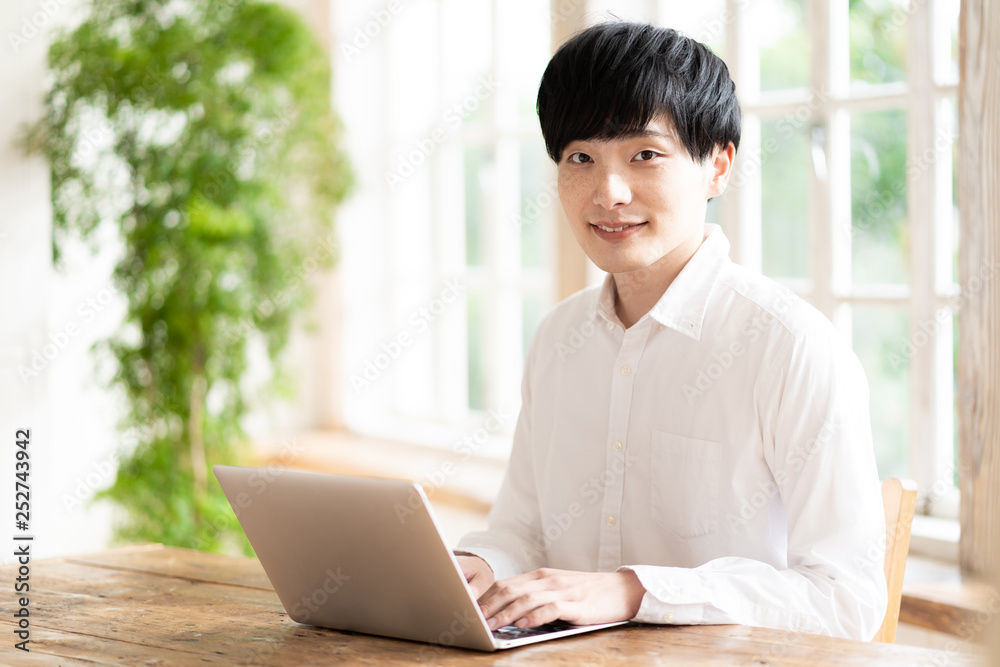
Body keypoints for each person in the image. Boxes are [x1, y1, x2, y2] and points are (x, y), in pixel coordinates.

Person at [455, 20, 888, 641]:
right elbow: (522, 529)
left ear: (718, 166)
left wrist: (635, 590)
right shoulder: (559, 337)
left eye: (645, 155)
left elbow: (847, 598)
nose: (608, 192)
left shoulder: (790, 347)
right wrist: (479, 565)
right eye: (581, 157)